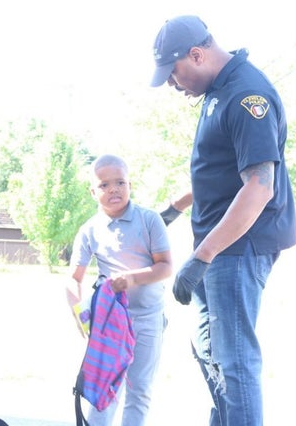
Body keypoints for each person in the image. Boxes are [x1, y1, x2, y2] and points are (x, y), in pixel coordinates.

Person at [150, 15, 296, 426]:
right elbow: (219, 169)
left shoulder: (247, 95)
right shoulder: (220, 92)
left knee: (234, 361)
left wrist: (202, 255)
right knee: (208, 350)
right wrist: (174, 208)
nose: (172, 84)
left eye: (173, 74)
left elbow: (259, 186)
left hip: (238, 247)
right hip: (218, 246)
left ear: (196, 55)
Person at [67, 153, 173, 426]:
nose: (113, 189)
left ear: (130, 184)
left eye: (120, 182)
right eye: (104, 185)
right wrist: (80, 315)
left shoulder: (150, 220)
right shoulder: (89, 230)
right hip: (109, 323)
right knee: (106, 389)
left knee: (140, 391)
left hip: (148, 319)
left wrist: (132, 279)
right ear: (93, 191)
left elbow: (165, 267)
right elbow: (73, 279)